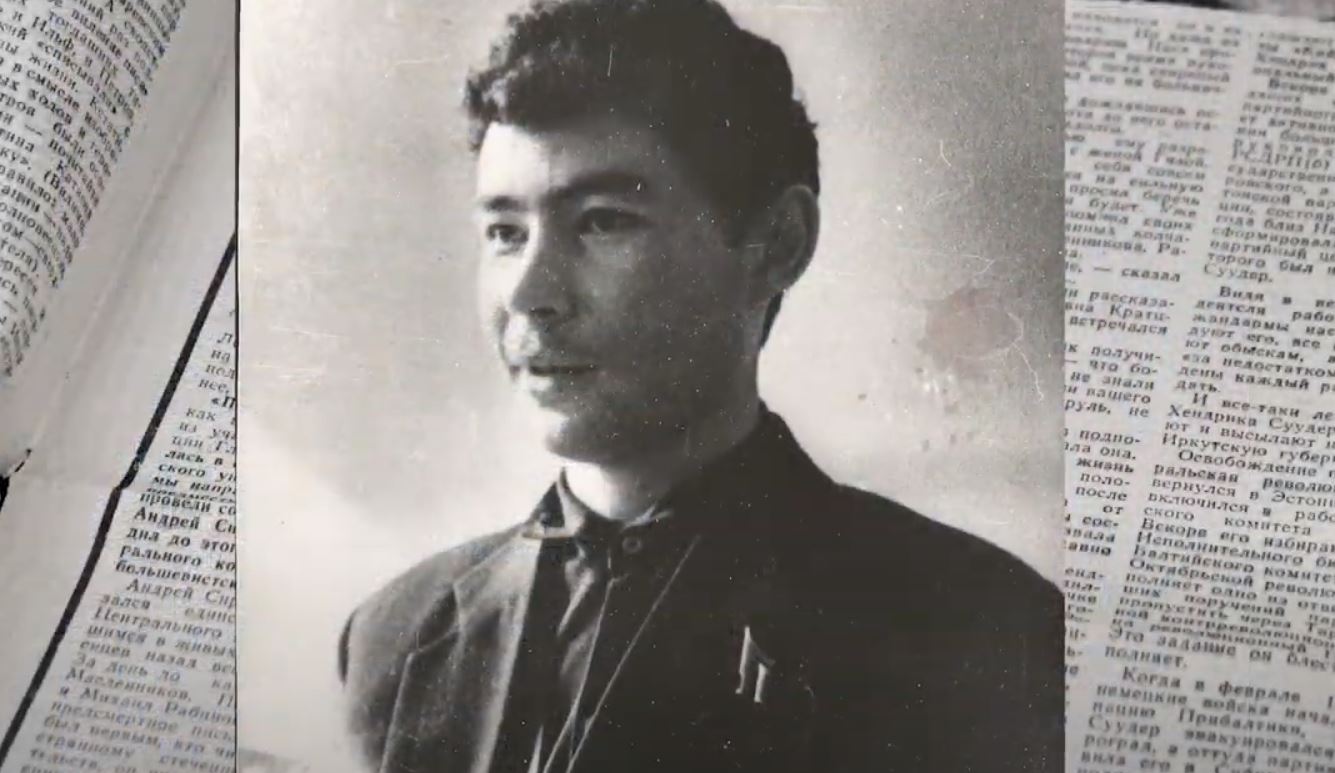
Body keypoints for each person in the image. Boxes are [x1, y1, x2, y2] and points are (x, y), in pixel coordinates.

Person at [337, 0, 1063, 770]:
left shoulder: (978, 634)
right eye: (505, 232)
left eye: (602, 221)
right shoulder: (392, 636)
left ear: (775, 245)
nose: (528, 292)